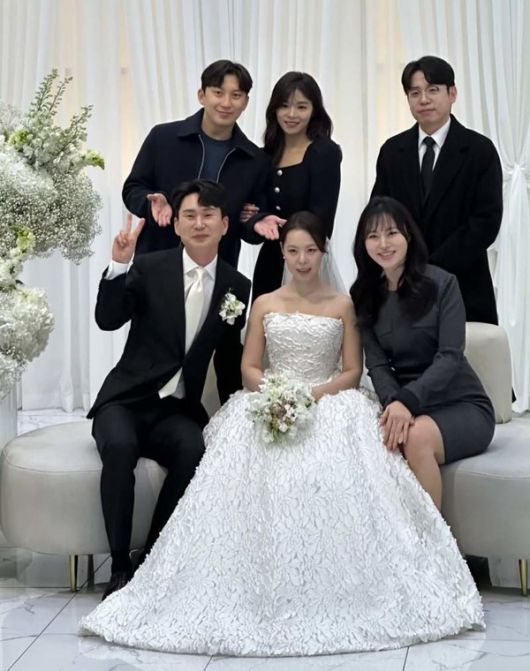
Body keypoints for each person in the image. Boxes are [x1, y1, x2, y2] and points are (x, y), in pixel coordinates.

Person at [81, 211, 483, 655]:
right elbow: (249, 367)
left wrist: (310, 396)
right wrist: (275, 394)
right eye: (293, 251)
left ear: (323, 251)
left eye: (310, 250)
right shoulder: (264, 302)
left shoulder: (346, 303)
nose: (302, 259)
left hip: (329, 402)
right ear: (282, 253)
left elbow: (353, 371)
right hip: (271, 400)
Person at [88, 179, 250, 600]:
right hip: (125, 400)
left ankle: (152, 558)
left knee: (192, 449)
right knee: (120, 447)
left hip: (175, 410)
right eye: (189, 216)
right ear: (176, 224)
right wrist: (119, 265)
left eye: (208, 215)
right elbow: (107, 320)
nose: (199, 223)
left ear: (225, 224)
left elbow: (227, 357)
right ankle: (119, 566)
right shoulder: (149, 266)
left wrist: (239, 410)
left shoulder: (237, 286)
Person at [351, 196, 495, 511]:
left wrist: (407, 401)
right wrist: (394, 404)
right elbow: (377, 365)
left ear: (408, 235)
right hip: (405, 404)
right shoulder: (363, 295)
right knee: (364, 441)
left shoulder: (443, 284)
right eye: (373, 236)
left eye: (392, 233)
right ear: (364, 244)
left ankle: (432, 539)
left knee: (415, 438)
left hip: (460, 403)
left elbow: (450, 356)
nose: (383, 244)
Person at [371, 55, 502, 324]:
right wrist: (405, 266)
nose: (424, 100)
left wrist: (430, 267)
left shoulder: (479, 150)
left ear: (452, 93)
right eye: (415, 93)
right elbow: (380, 214)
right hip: (403, 285)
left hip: (464, 284)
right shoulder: (393, 151)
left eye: (433, 90)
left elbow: (486, 222)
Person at [122, 59, 281, 265]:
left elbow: (250, 220)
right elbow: (133, 188)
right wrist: (151, 204)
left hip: (218, 268)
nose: (226, 103)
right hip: (157, 261)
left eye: (236, 95)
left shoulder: (254, 159)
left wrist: (256, 222)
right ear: (202, 95)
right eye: (218, 93)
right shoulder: (163, 138)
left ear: (246, 102)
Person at [241, 71, 342, 299]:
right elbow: (250, 217)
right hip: (270, 262)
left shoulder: (324, 152)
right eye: (284, 106)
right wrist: (256, 220)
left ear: (314, 110)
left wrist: (281, 232)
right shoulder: (265, 155)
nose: (291, 114)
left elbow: (322, 221)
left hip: (306, 261)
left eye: (301, 107)